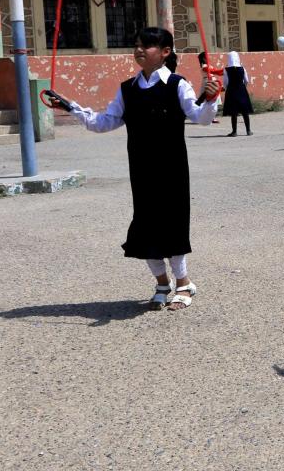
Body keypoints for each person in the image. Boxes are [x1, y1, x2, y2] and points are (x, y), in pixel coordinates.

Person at [47, 27, 220, 310]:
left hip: (172, 168)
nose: (139, 50)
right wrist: (70, 107)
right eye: (137, 44)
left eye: (147, 46)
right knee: (145, 226)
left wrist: (212, 99)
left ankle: (184, 283)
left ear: (165, 52)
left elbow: (200, 117)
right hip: (141, 167)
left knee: (173, 225)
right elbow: (103, 122)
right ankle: (162, 283)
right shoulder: (127, 89)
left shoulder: (178, 84)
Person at [222, 51, 252, 137]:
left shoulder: (226, 69)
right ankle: (248, 130)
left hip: (231, 90)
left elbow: (225, 82)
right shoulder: (242, 68)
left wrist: (228, 87)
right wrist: (243, 86)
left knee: (233, 112)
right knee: (245, 111)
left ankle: (234, 131)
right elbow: (246, 80)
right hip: (241, 90)